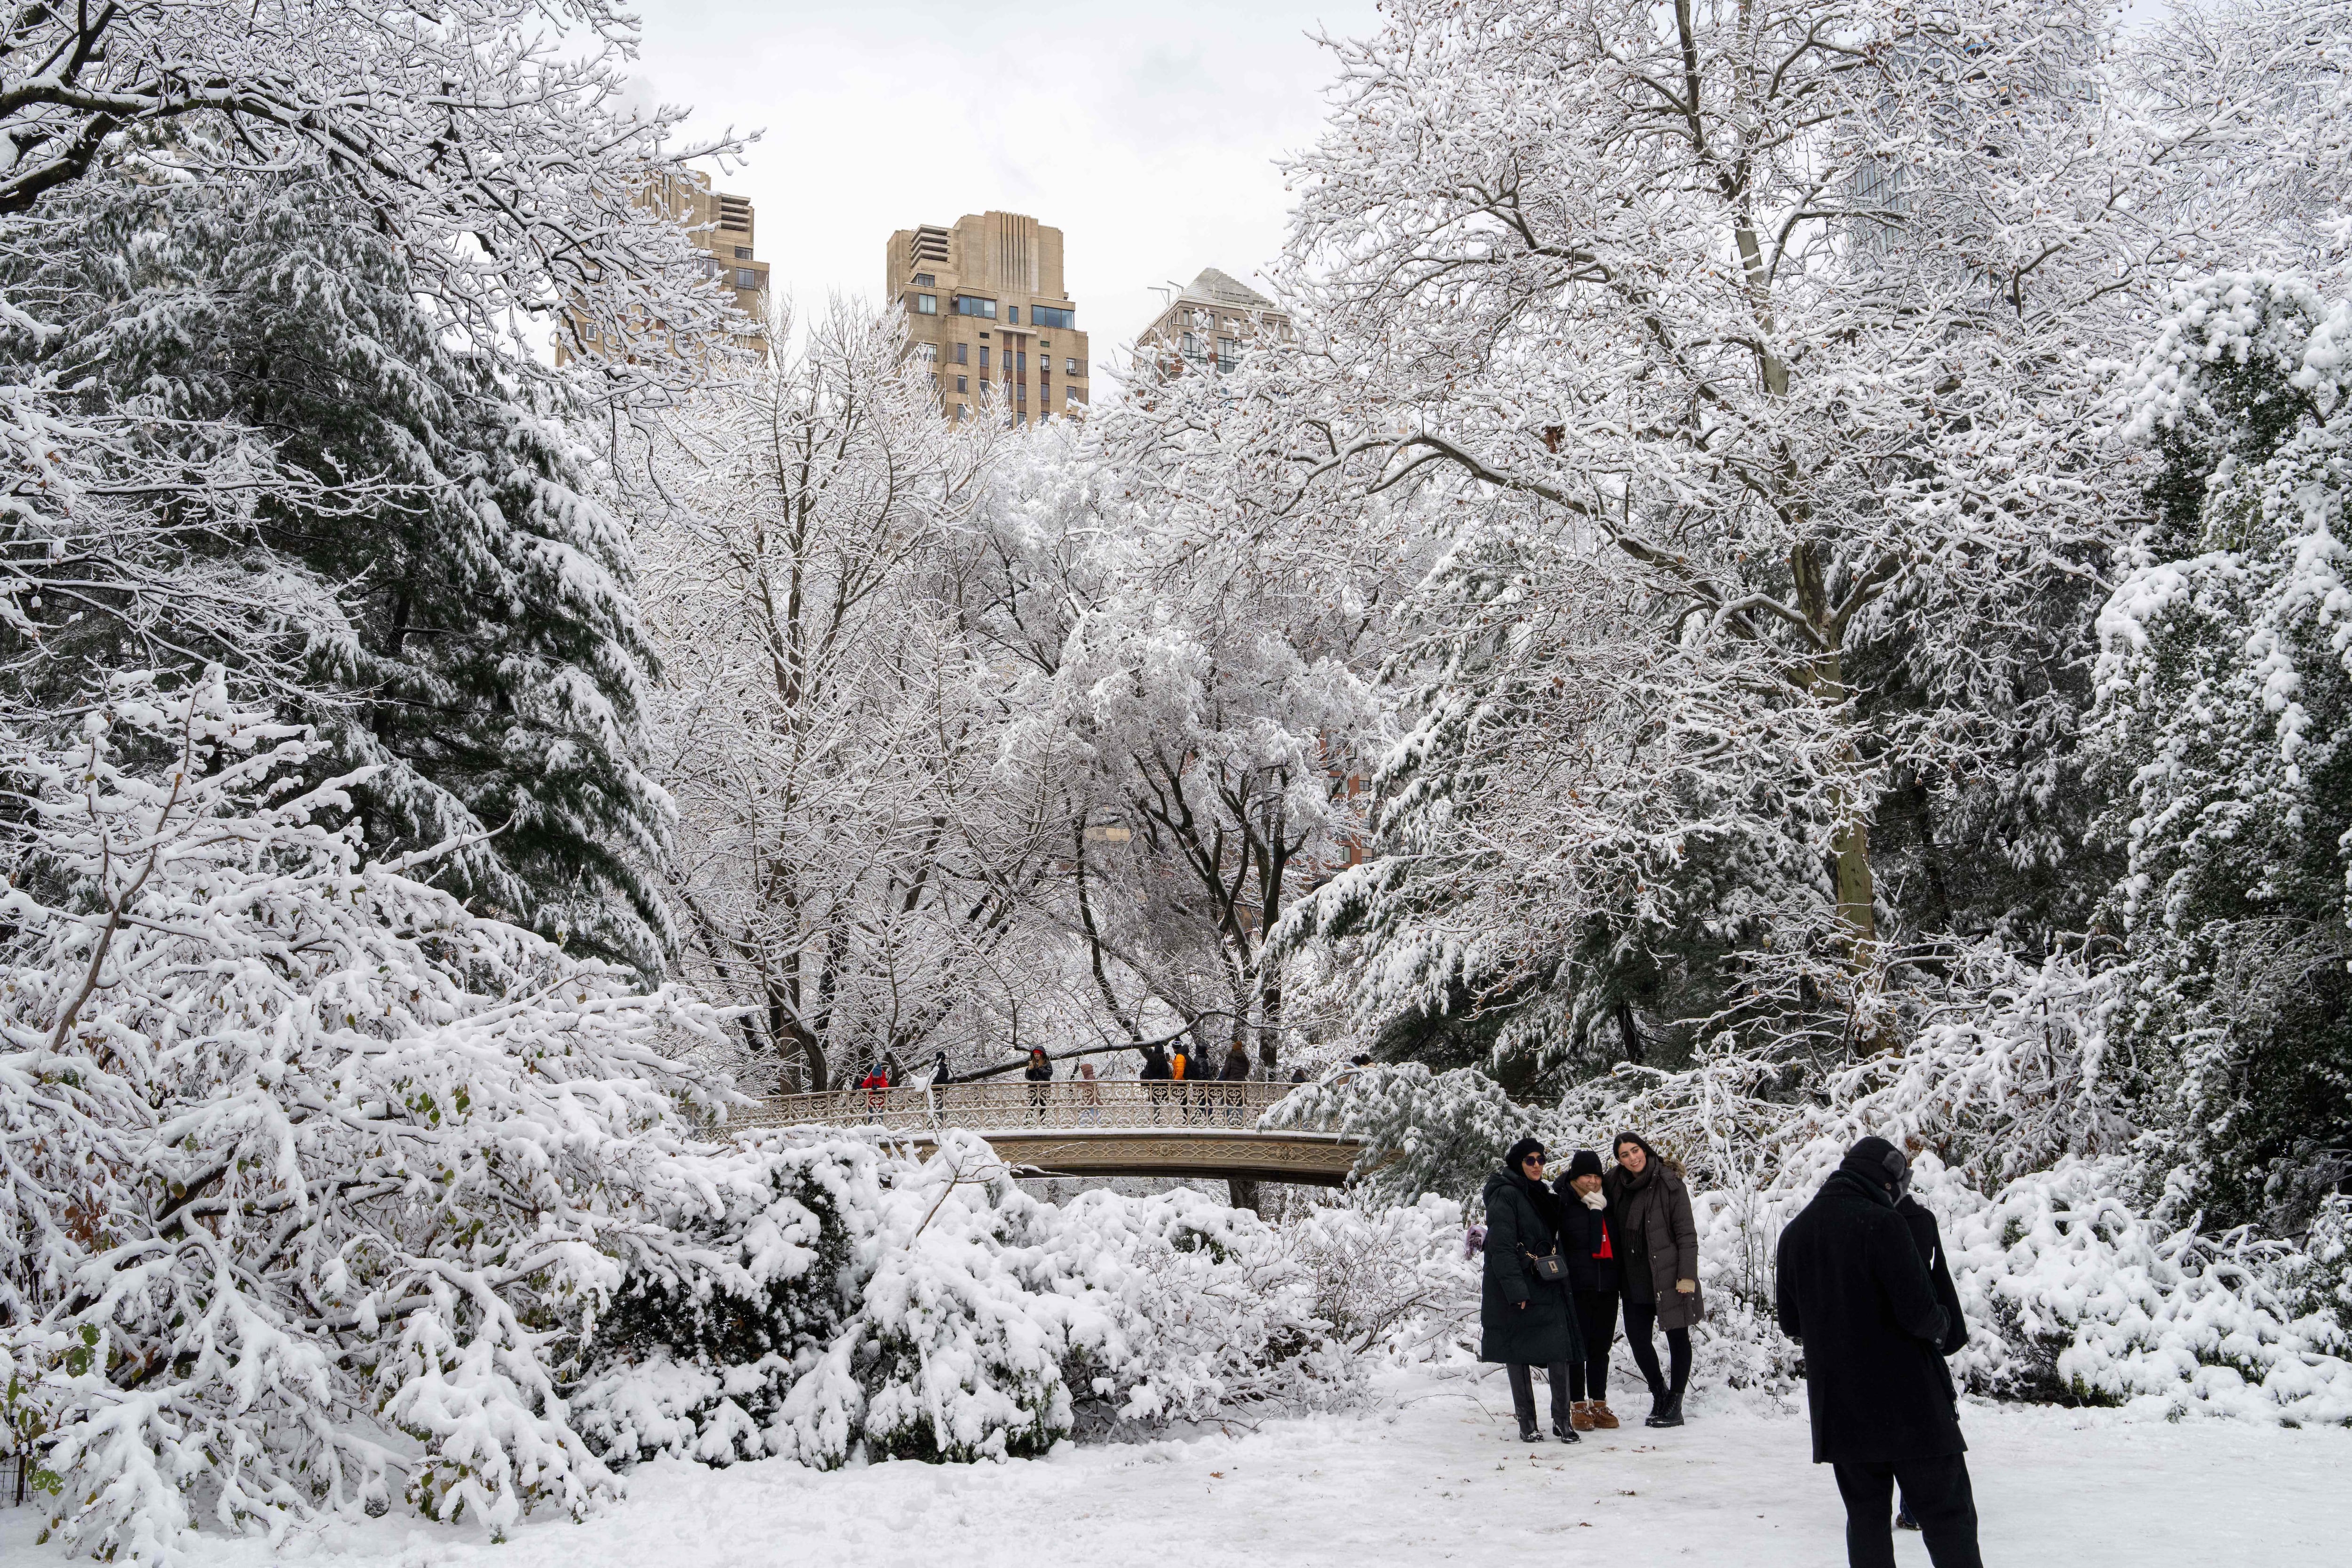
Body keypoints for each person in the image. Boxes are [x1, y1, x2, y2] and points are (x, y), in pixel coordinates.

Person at [1776, 1137, 1982, 1568]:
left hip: (1841, 1409)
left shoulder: (1794, 1233)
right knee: (1948, 1518)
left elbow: (1792, 1324)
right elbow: (1920, 1313)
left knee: (1866, 1521)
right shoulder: (1884, 1223)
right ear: (1889, 1179)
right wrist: (1944, 1324)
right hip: (1910, 1405)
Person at [1478, 1137, 1584, 1444]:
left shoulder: (1540, 1193)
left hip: (1547, 1280)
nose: (1537, 1165)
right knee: (1518, 1351)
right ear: (1518, 1163)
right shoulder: (1506, 1195)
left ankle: (1562, 1421)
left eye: (1541, 1159)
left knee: (1559, 1348)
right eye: (1530, 1160)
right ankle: (1527, 1423)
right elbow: (1500, 1247)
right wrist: (1516, 1290)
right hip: (1521, 1284)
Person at [1605, 1131, 1700, 1427]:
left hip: (1669, 1274)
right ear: (1619, 1160)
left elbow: (1686, 1233)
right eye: (1625, 1155)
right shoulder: (1614, 1184)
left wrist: (1687, 1275)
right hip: (1633, 1277)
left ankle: (1676, 1402)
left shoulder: (1669, 1183)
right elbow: (1583, 1182)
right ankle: (1660, 1393)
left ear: (1645, 1150)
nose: (1633, 1159)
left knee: (1677, 1336)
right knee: (1637, 1337)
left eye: (1636, 1151)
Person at [1894, 1178, 1968, 1533]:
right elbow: (1933, 1277)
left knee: (1894, 1427)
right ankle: (1913, 1509)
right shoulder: (1921, 1220)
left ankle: (1905, 1509)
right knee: (1920, 1426)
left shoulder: (1875, 1221)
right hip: (1922, 1338)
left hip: (1890, 1336)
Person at [1553, 1149, 1622, 1431]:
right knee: (1577, 1348)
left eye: (1597, 1176)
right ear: (1575, 1176)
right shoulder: (1563, 1203)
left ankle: (1599, 1403)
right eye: (1587, 1176)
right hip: (1576, 1287)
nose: (1593, 1182)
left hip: (1607, 1286)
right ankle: (1577, 1405)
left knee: (1600, 1347)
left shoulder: (1608, 1204)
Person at [1138, 1041, 1173, 1122]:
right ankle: (1157, 1118)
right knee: (1160, 1101)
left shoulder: (1151, 1058)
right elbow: (1165, 1073)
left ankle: (1155, 1117)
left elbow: (1149, 1071)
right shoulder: (1162, 1059)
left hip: (1152, 1084)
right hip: (1161, 1085)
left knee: (1155, 1101)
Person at [1022, 1046, 1053, 1119]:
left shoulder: (1047, 1063)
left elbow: (1049, 1074)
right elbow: (1028, 1078)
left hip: (1043, 1089)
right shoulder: (1032, 1063)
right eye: (1035, 1055)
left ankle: (1042, 1123)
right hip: (1033, 1088)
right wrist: (1029, 1070)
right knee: (1031, 1106)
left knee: (1043, 1107)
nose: (1036, 1056)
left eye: (1038, 1054)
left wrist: (1039, 1068)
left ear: (1041, 1055)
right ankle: (1028, 1122)